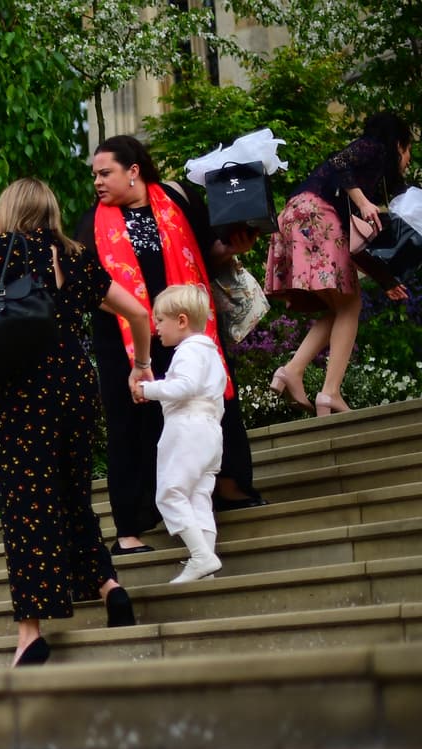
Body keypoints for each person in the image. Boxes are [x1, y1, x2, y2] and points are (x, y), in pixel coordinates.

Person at [0, 177, 150, 667]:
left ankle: (30, 632)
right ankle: (108, 586)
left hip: (24, 394)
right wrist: (140, 364)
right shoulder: (76, 256)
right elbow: (137, 312)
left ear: (8, 211)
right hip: (76, 387)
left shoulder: (3, 252)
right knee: (74, 495)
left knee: (28, 507)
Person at [76, 134, 263, 557]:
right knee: (129, 422)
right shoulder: (91, 223)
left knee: (208, 399)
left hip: (187, 329)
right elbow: (86, 283)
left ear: (134, 171)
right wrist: (135, 317)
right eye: (95, 175)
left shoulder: (178, 199)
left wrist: (232, 246)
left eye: (106, 173)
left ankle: (229, 488)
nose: (98, 183)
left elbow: (208, 249)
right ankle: (130, 526)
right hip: (122, 339)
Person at [265, 112, 413, 417]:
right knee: (351, 305)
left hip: (298, 214)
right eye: (409, 150)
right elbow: (339, 161)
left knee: (341, 305)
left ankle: (291, 371)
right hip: (315, 215)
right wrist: (362, 201)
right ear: (399, 144)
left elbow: (354, 246)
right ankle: (329, 392)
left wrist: (386, 281)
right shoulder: (374, 147)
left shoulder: (368, 180)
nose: (409, 159)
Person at [135, 285, 225, 583]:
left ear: (182, 321)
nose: (156, 327)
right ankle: (206, 561)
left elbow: (184, 387)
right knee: (199, 496)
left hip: (187, 428)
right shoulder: (211, 354)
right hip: (211, 432)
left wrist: (148, 389)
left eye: (160, 320)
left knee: (170, 493)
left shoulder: (188, 352)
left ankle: (200, 556)